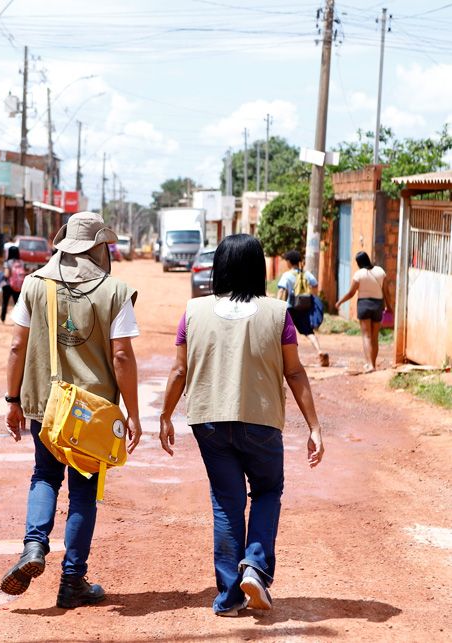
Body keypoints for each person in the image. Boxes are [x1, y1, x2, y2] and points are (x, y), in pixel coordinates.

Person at [159, 234, 324, 617]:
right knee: (267, 491)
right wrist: (314, 425)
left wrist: (166, 414)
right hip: (262, 421)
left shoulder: (193, 312)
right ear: (258, 269)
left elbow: (179, 370)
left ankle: (230, 597)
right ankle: (255, 566)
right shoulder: (278, 314)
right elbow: (295, 373)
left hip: (209, 423)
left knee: (226, 503)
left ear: (219, 268)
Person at [0, 211, 142, 609]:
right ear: (99, 248)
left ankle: (33, 545)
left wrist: (13, 402)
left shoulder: (33, 285)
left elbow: (16, 347)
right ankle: (72, 581)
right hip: (92, 415)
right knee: (82, 493)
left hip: (45, 408)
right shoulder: (116, 291)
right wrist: (132, 413)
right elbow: (122, 357)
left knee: (44, 475)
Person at [335, 251, 392, 372]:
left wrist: (340, 302)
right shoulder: (380, 271)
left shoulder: (359, 274)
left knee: (367, 336)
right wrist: (389, 307)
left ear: (358, 262)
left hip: (364, 305)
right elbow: (386, 292)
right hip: (378, 305)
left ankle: (369, 364)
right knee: (375, 337)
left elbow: (351, 293)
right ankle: (374, 364)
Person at [277, 250, 328, 366]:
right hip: (304, 307)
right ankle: (319, 350)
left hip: (290, 308)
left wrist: (278, 304)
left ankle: (286, 359)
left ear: (289, 262)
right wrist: (312, 297)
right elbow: (314, 285)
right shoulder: (306, 274)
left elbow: (281, 290)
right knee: (308, 331)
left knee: (284, 333)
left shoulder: (287, 275)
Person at [0, 245, 26, 323]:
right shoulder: (21, 262)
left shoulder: (7, 262)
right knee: (17, 304)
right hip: (18, 285)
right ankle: (18, 320)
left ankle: (3, 319)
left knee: (5, 302)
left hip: (7, 285)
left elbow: (6, 274)